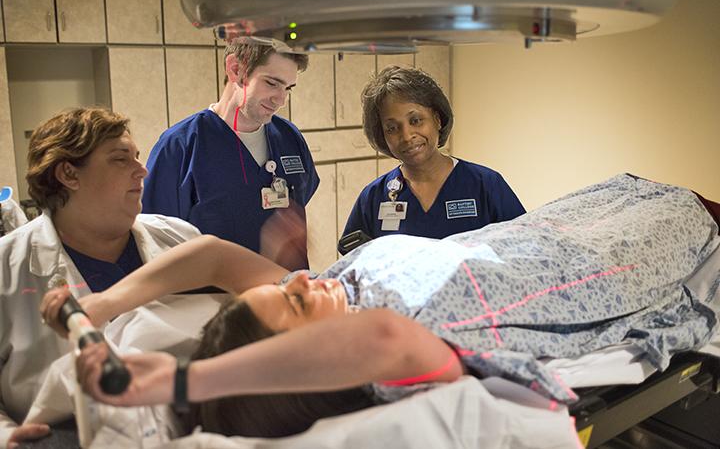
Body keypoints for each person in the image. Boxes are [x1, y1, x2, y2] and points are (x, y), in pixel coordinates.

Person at [43, 174, 720, 439]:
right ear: (315, 362)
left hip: (550, 228)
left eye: (285, 291)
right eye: (296, 307)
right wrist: (187, 381)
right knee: (682, 210)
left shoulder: (332, 285)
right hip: (620, 257)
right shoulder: (388, 358)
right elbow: (387, 341)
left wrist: (104, 304)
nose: (299, 282)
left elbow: (216, 256)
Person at [0, 107, 202, 448]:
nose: (143, 170)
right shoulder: (7, 266)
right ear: (69, 174)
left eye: (137, 157)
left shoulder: (180, 239)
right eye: (121, 159)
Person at [141, 37, 319, 271]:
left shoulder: (289, 138)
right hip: (216, 301)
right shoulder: (180, 146)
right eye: (272, 83)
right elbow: (156, 242)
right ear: (236, 69)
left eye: (288, 88)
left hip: (288, 293)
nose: (281, 100)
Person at [343, 66, 525, 242]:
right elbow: (354, 262)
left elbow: (524, 248)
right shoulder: (374, 197)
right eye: (392, 128)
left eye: (416, 120)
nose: (406, 136)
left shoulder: (485, 185)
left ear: (437, 120)